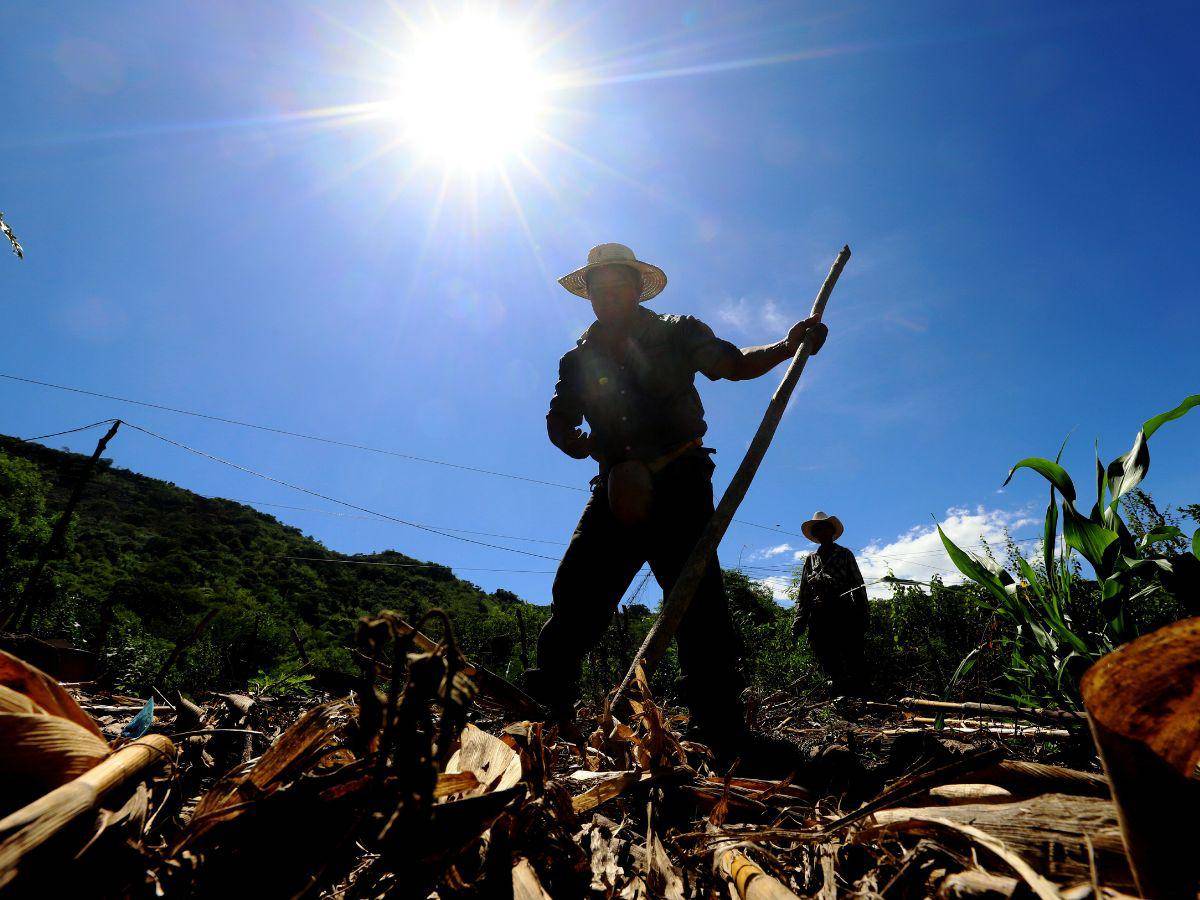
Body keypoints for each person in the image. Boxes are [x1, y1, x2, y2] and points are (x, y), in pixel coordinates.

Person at [525, 241, 828, 758]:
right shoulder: (577, 360)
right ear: (589, 296)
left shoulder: (676, 331)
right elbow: (560, 417)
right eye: (599, 289)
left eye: (618, 285)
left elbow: (734, 364)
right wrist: (569, 440)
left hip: (680, 480)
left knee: (696, 600)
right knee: (575, 594)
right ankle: (547, 712)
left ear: (637, 289)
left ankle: (720, 725)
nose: (608, 295)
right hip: (615, 487)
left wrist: (787, 346)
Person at [791, 511, 868, 696]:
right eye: (818, 529)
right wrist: (798, 622)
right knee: (826, 656)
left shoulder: (844, 554)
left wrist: (863, 615)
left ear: (832, 531)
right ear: (815, 535)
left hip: (843, 612)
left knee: (850, 654)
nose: (822, 532)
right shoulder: (811, 560)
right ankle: (836, 694)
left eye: (825, 528)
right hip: (819, 617)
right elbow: (804, 593)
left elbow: (858, 586)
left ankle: (857, 693)